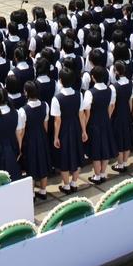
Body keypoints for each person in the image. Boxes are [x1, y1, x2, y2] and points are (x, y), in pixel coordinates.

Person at [51, 66, 85, 194]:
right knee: (76, 155)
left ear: (60, 80)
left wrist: (55, 137)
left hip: (64, 129)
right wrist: (84, 131)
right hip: (76, 127)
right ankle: (74, 182)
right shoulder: (78, 95)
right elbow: (81, 114)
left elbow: (57, 120)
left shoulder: (57, 98)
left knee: (64, 157)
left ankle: (66, 185)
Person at [82, 65, 116, 184]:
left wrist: (84, 129)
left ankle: (97, 176)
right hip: (106, 121)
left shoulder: (89, 93)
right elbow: (111, 106)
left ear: (93, 77)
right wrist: (108, 117)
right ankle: (102, 173)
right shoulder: (110, 90)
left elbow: (87, 112)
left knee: (96, 150)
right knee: (105, 148)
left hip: (94, 124)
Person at [19, 80, 51, 199]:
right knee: (42, 162)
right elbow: (45, 125)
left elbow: (21, 131)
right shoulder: (45, 105)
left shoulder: (23, 110)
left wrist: (20, 146)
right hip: (42, 137)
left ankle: (31, 194)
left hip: (29, 139)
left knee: (30, 166)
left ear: (26, 92)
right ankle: (43, 191)